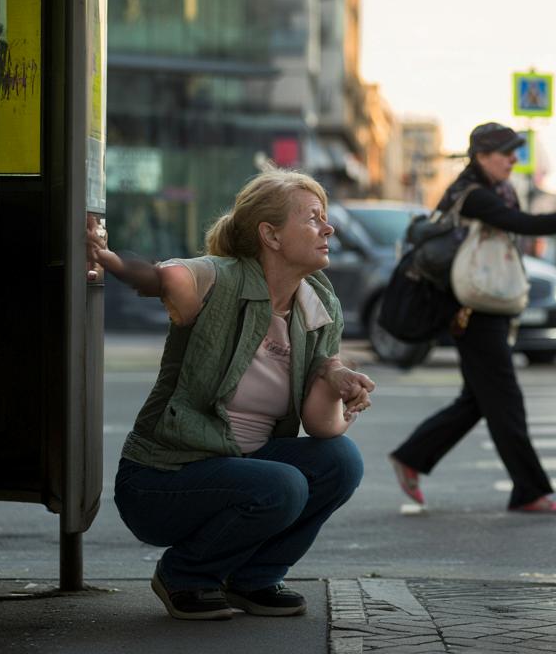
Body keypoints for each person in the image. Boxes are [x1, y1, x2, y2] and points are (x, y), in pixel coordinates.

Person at [88, 171, 374, 621]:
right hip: (163, 479)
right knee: (283, 483)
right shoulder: (221, 278)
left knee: (341, 461)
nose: (329, 228)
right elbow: (170, 279)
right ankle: (185, 576)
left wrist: (336, 380)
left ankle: (254, 578)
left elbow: (321, 425)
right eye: (314, 218)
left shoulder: (319, 302)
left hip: (242, 473)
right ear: (271, 235)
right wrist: (112, 260)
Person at [389, 122, 556, 514]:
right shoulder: (473, 196)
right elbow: (527, 224)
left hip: (488, 306)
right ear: (482, 156)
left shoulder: (497, 191)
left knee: (479, 399)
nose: (514, 159)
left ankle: (413, 456)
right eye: (506, 152)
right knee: (505, 400)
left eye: (516, 151)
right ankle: (529, 490)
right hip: (471, 310)